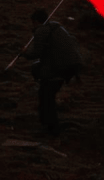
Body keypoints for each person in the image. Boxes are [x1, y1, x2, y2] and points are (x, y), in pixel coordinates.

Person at [23, 8, 83, 136]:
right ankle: (50, 127)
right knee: (47, 96)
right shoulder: (58, 28)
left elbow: (36, 53)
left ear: (36, 21)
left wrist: (24, 54)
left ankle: (51, 129)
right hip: (67, 68)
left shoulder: (42, 31)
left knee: (46, 98)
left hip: (56, 69)